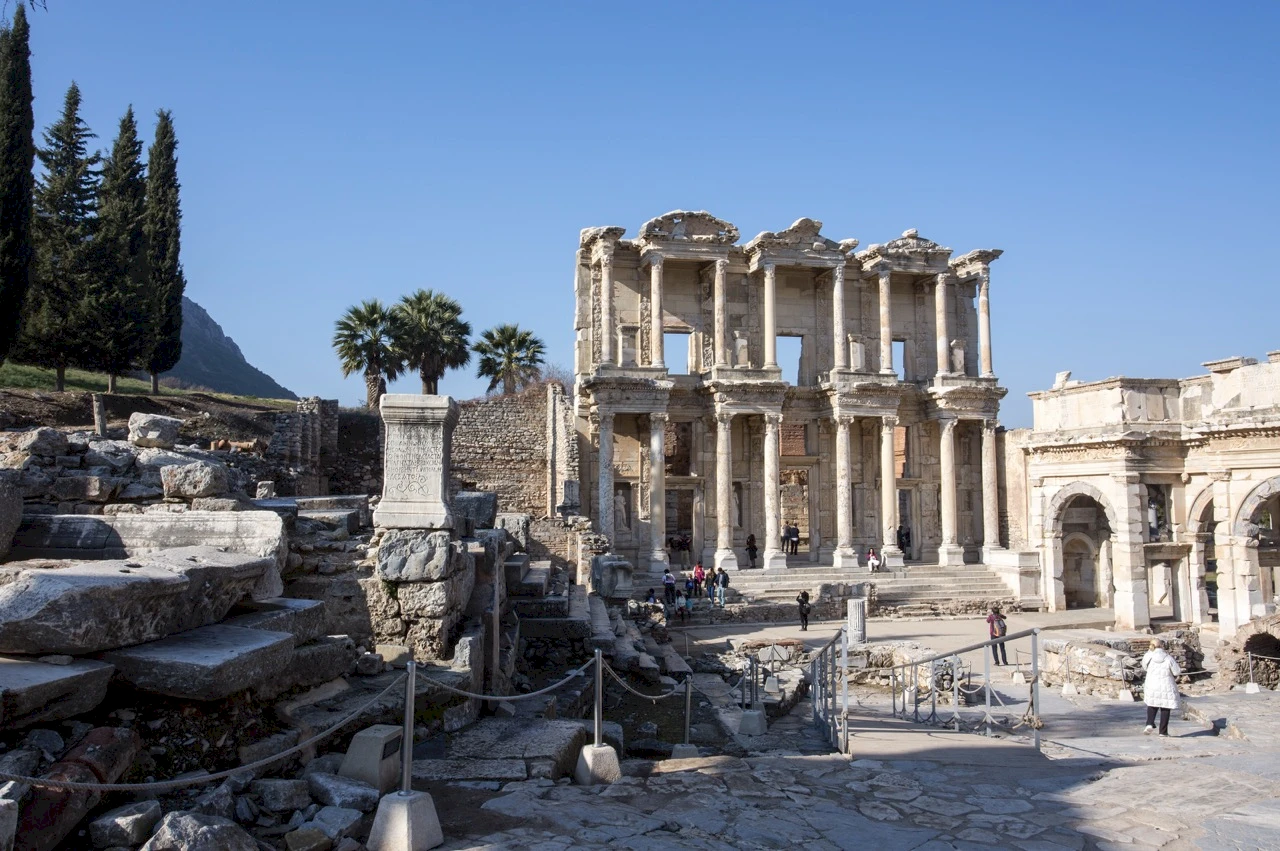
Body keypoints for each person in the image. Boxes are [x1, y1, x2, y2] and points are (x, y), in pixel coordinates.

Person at [1142, 638, 1181, 737]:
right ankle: (1163, 732)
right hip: (1166, 684)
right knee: (1165, 707)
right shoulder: (1168, 658)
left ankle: (1149, 723)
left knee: (1152, 704)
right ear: (1162, 646)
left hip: (1152, 684)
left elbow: (1144, 667)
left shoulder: (1148, 656)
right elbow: (1177, 671)